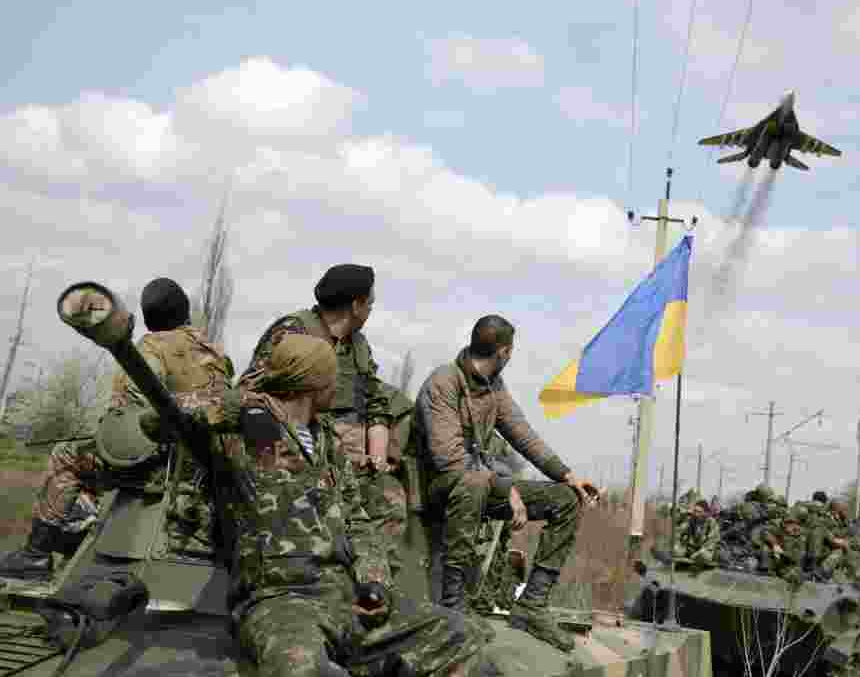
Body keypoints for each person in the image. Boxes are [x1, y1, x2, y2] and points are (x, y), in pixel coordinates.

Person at [174, 333, 487, 677]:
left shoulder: (327, 442)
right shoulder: (238, 432)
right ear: (313, 382)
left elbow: (357, 520)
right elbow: (162, 416)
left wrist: (375, 581)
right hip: (279, 603)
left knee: (460, 634)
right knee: (299, 668)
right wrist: (241, 405)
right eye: (331, 377)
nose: (336, 386)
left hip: (346, 597)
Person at [0, 277, 233, 579]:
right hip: (207, 464)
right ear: (186, 312)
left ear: (147, 319)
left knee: (66, 455)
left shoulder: (151, 347)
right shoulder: (215, 352)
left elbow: (125, 428)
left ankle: (34, 555)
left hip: (162, 466)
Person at [416, 315, 600, 652]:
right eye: (511, 351)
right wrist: (505, 488)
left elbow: (523, 434)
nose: (511, 357)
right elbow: (449, 460)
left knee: (565, 500)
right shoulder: (443, 383)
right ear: (503, 352)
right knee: (471, 484)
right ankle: (453, 606)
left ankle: (531, 605)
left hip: (482, 485)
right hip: (442, 488)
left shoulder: (492, 387)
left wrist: (567, 476)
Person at [240, 264, 407, 577]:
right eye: (370, 303)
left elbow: (376, 402)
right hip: (299, 445)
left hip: (348, 457)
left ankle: (374, 584)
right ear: (356, 305)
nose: (371, 309)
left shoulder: (358, 346)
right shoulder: (294, 330)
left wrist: (377, 457)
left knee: (389, 496)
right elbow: (253, 389)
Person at [673, 499, 720, 568]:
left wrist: (698, 552)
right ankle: (685, 563)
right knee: (674, 550)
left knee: (702, 555)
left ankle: (696, 565)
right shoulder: (690, 520)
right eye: (695, 511)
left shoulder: (712, 523)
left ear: (705, 513)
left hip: (704, 550)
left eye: (699, 512)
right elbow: (679, 531)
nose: (696, 514)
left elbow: (712, 541)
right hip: (691, 549)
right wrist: (676, 543)